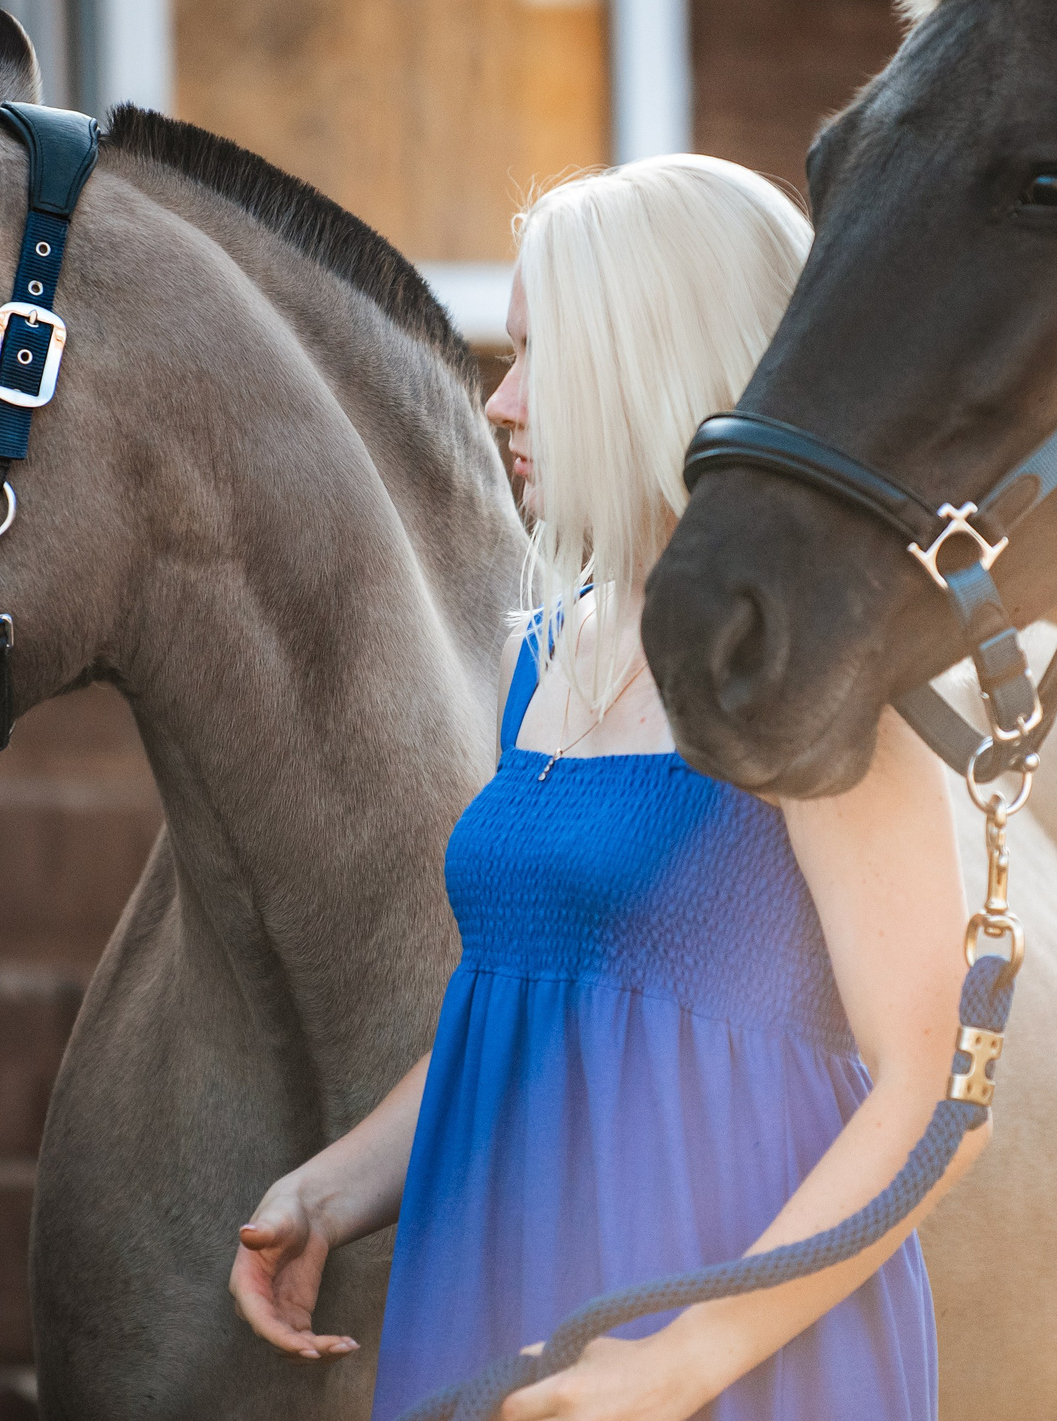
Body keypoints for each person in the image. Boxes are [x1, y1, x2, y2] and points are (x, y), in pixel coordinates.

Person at [229, 155, 985, 1421]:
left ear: (656, 367)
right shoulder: (549, 653)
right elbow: (535, 1002)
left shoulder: (810, 662)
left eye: (539, 357)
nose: (503, 403)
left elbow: (934, 1086)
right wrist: (331, 1187)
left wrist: (683, 1359)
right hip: (503, 1299)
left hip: (725, 1354)